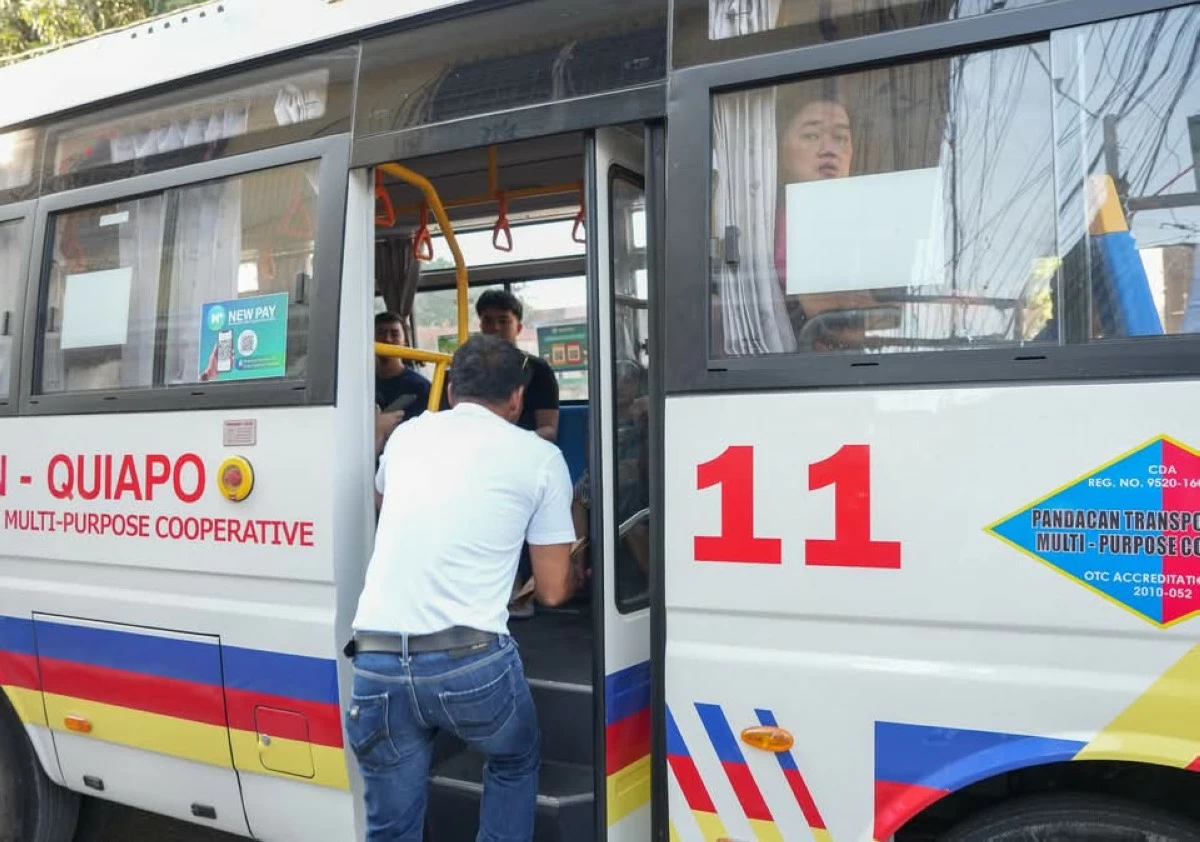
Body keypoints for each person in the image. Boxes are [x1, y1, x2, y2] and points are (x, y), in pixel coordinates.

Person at [346, 334, 579, 842]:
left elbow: (385, 502)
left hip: (376, 661)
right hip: (470, 663)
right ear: (518, 398)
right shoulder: (539, 457)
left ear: (451, 390)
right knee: (514, 759)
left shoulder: (410, 436)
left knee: (390, 829)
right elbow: (556, 590)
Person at [475, 289, 559, 442]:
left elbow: (549, 430)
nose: (495, 328)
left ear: (518, 328)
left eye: (503, 321)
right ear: (480, 326)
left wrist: (511, 442)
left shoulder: (538, 370)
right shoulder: (470, 369)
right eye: (487, 320)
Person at [374, 310, 432, 455]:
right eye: (380, 333)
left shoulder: (421, 387)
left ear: (405, 341)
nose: (387, 339)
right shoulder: (360, 384)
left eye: (394, 334)